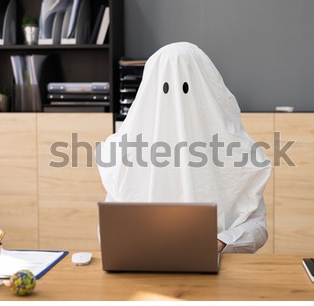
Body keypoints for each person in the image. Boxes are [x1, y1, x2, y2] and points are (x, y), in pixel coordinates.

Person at [96, 42, 272, 253]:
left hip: (218, 271)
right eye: (166, 89)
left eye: (185, 88)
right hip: (143, 270)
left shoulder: (234, 152)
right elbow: (107, 230)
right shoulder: (127, 152)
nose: (177, 105)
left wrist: (223, 242)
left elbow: (258, 228)